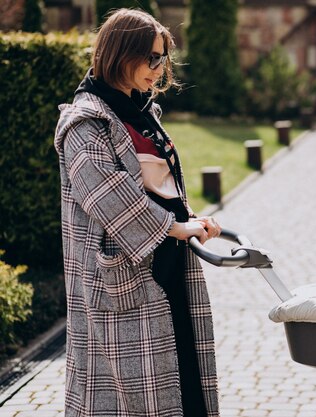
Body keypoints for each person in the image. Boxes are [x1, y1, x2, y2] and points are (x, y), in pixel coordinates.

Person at [54, 9, 221, 417]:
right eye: (150, 57)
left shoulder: (140, 113)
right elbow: (106, 197)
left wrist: (191, 219)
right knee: (123, 396)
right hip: (119, 276)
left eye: (162, 58)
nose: (158, 68)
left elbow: (160, 186)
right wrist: (175, 227)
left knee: (182, 380)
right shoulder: (85, 122)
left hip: (162, 266)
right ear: (119, 53)